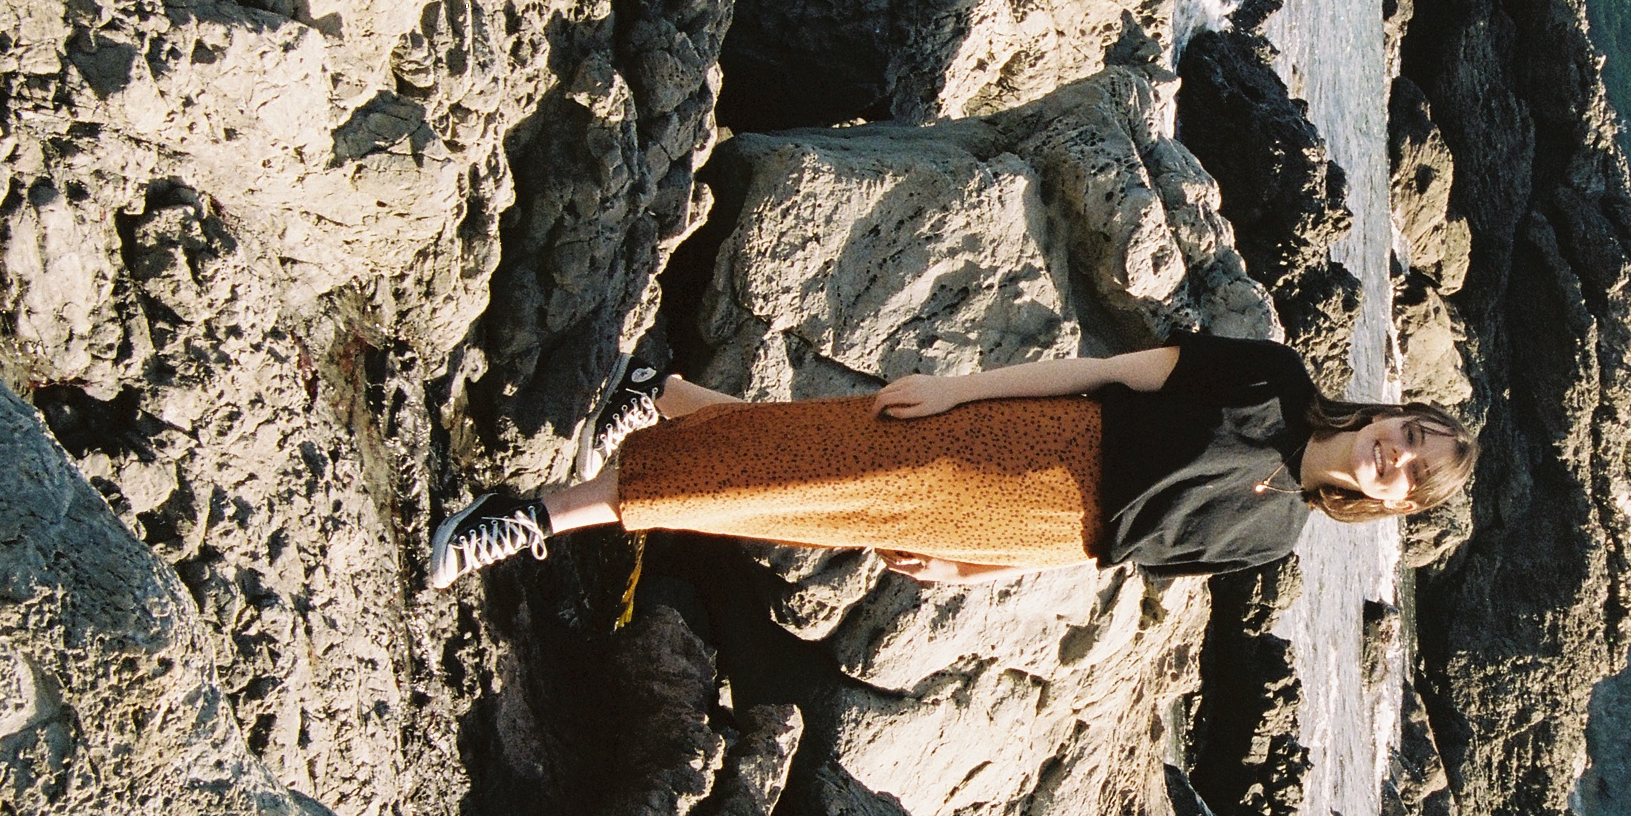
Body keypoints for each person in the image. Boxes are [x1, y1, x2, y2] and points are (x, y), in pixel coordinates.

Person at [426, 333, 1476, 590]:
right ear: (1391, 413)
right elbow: (1103, 367)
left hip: (1033, 530)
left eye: (1404, 473)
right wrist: (962, 390)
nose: (1392, 454)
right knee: (809, 476)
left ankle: (664, 394)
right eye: (1407, 433)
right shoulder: (1270, 378)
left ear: (1386, 502)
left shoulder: (1272, 541)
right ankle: (537, 518)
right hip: (1031, 440)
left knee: (809, 497)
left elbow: (1112, 559)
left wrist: (985, 570)